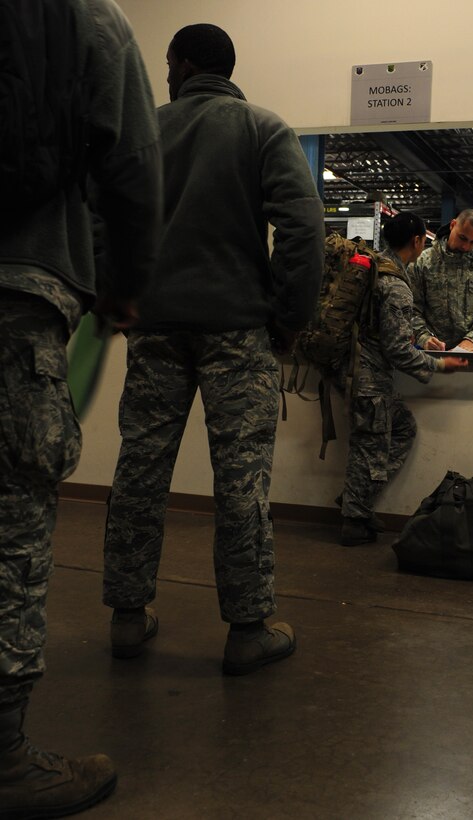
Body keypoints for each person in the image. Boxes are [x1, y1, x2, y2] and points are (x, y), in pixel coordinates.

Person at [102, 24, 324, 675]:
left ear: (187, 63)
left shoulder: (147, 132)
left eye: (169, 62)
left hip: (157, 329)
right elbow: (304, 225)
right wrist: (289, 316)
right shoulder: (262, 128)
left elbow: (101, 213)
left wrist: (116, 293)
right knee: (241, 478)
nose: (165, 73)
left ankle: (125, 617)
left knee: (139, 468)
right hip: (236, 332)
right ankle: (248, 627)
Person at [0, 1, 162, 817]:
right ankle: (3, 763)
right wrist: (124, 287)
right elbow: (133, 164)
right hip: (18, 289)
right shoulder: (84, 17)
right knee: (10, 530)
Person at [339, 212, 468, 547]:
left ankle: (356, 500)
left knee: (399, 430)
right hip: (369, 380)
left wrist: (422, 339)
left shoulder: (376, 268)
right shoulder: (394, 283)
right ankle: (354, 518)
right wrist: (440, 366)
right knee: (368, 448)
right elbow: (397, 350)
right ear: (416, 241)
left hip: (356, 372)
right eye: (424, 238)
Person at [409, 208, 473, 352]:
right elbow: (410, 307)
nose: (466, 246)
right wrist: (424, 337)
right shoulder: (422, 262)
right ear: (453, 225)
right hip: (427, 352)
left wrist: (472, 340)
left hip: (470, 352)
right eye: (462, 238)